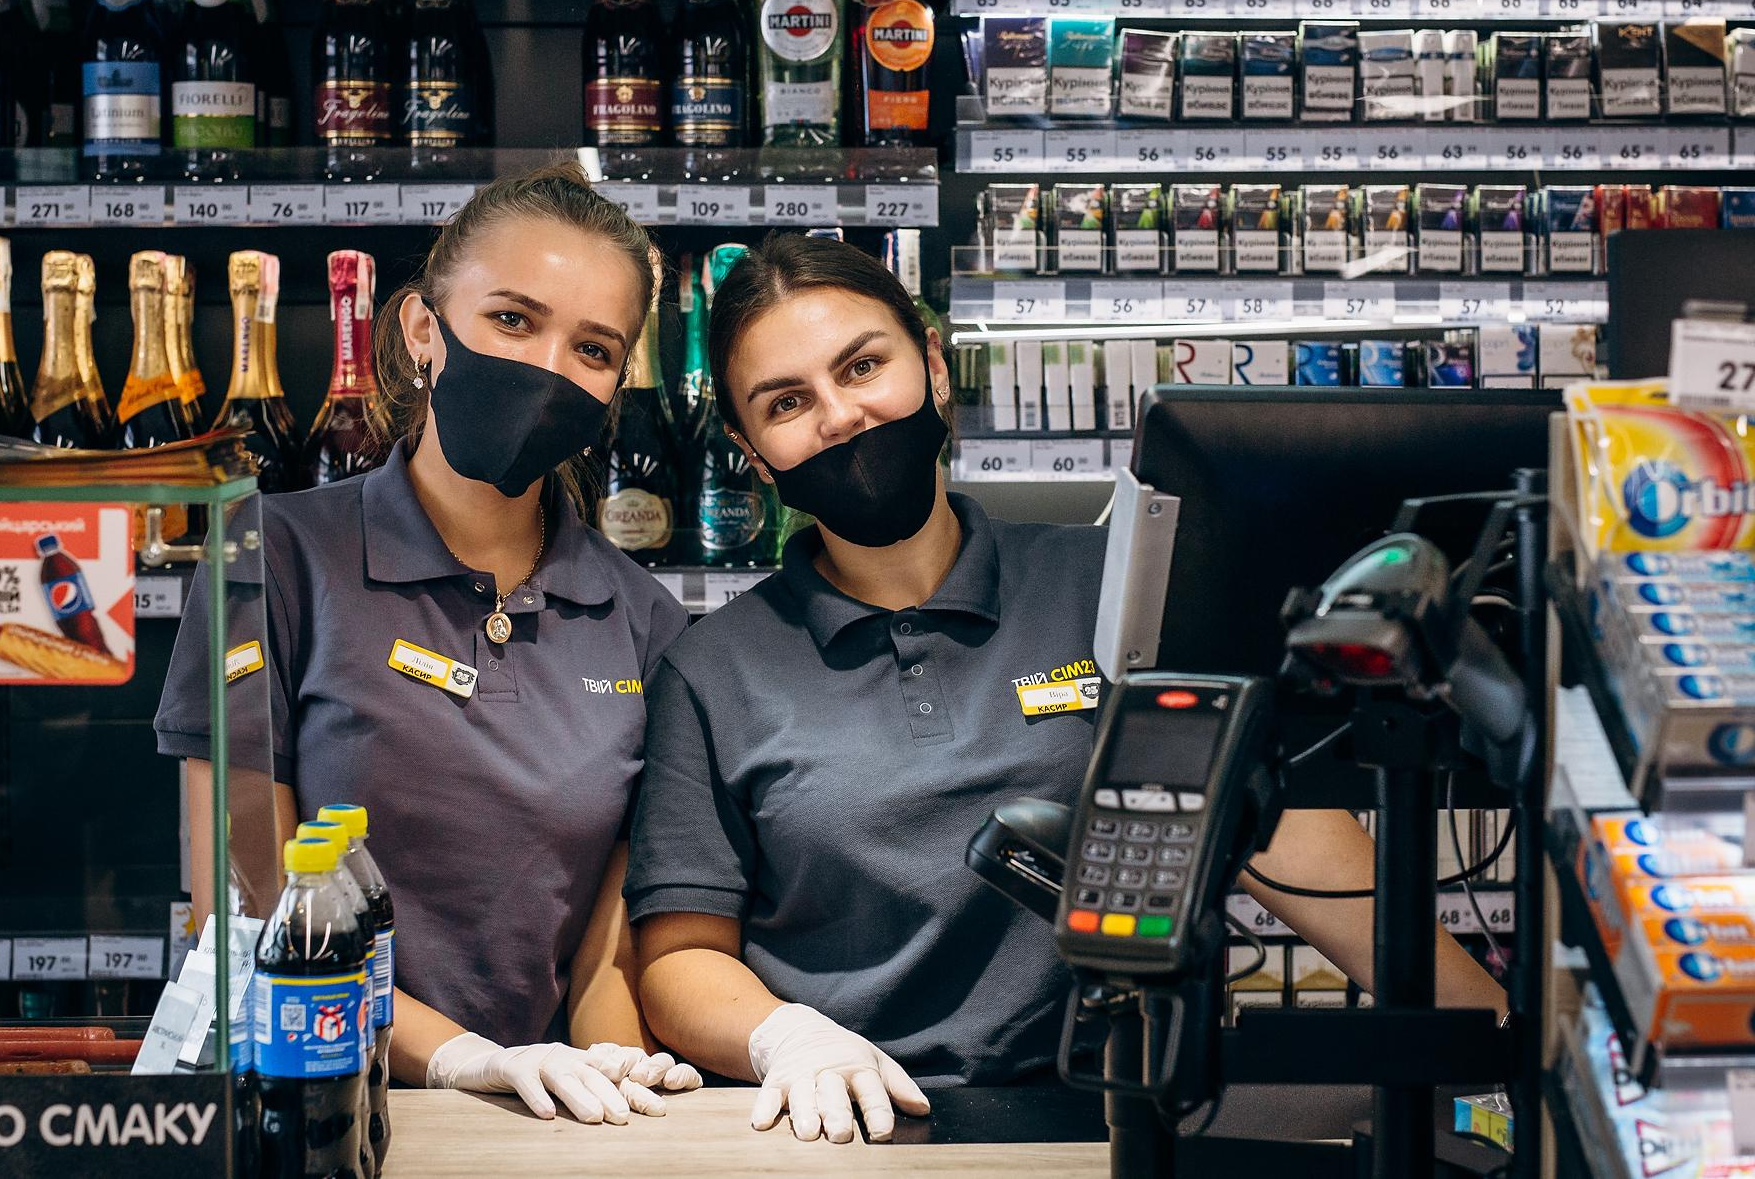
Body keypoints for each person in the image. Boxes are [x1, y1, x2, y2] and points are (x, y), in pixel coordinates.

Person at [624, 234, 1508, 1144]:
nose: (841, 415)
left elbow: (1282, 838)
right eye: (788, 402)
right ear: (750, 450)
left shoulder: (1114, 586)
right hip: (853, 1127)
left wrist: (1507, 1044)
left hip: (1128, 1109)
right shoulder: (712, 668)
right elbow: (681, 955)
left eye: (862, 365)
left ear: (930, 361)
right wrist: (789, 1037)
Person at [153, 165, 700, 1124]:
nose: (547, 370)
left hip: (543, 1120)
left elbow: (603, 949)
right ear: (421, 332)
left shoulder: (644, 620)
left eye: (594, 347)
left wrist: (617, 1066)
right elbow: (241, 911)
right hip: (301, 1099)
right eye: (513, 320)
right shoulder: (266, 558)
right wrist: (458, 1057)